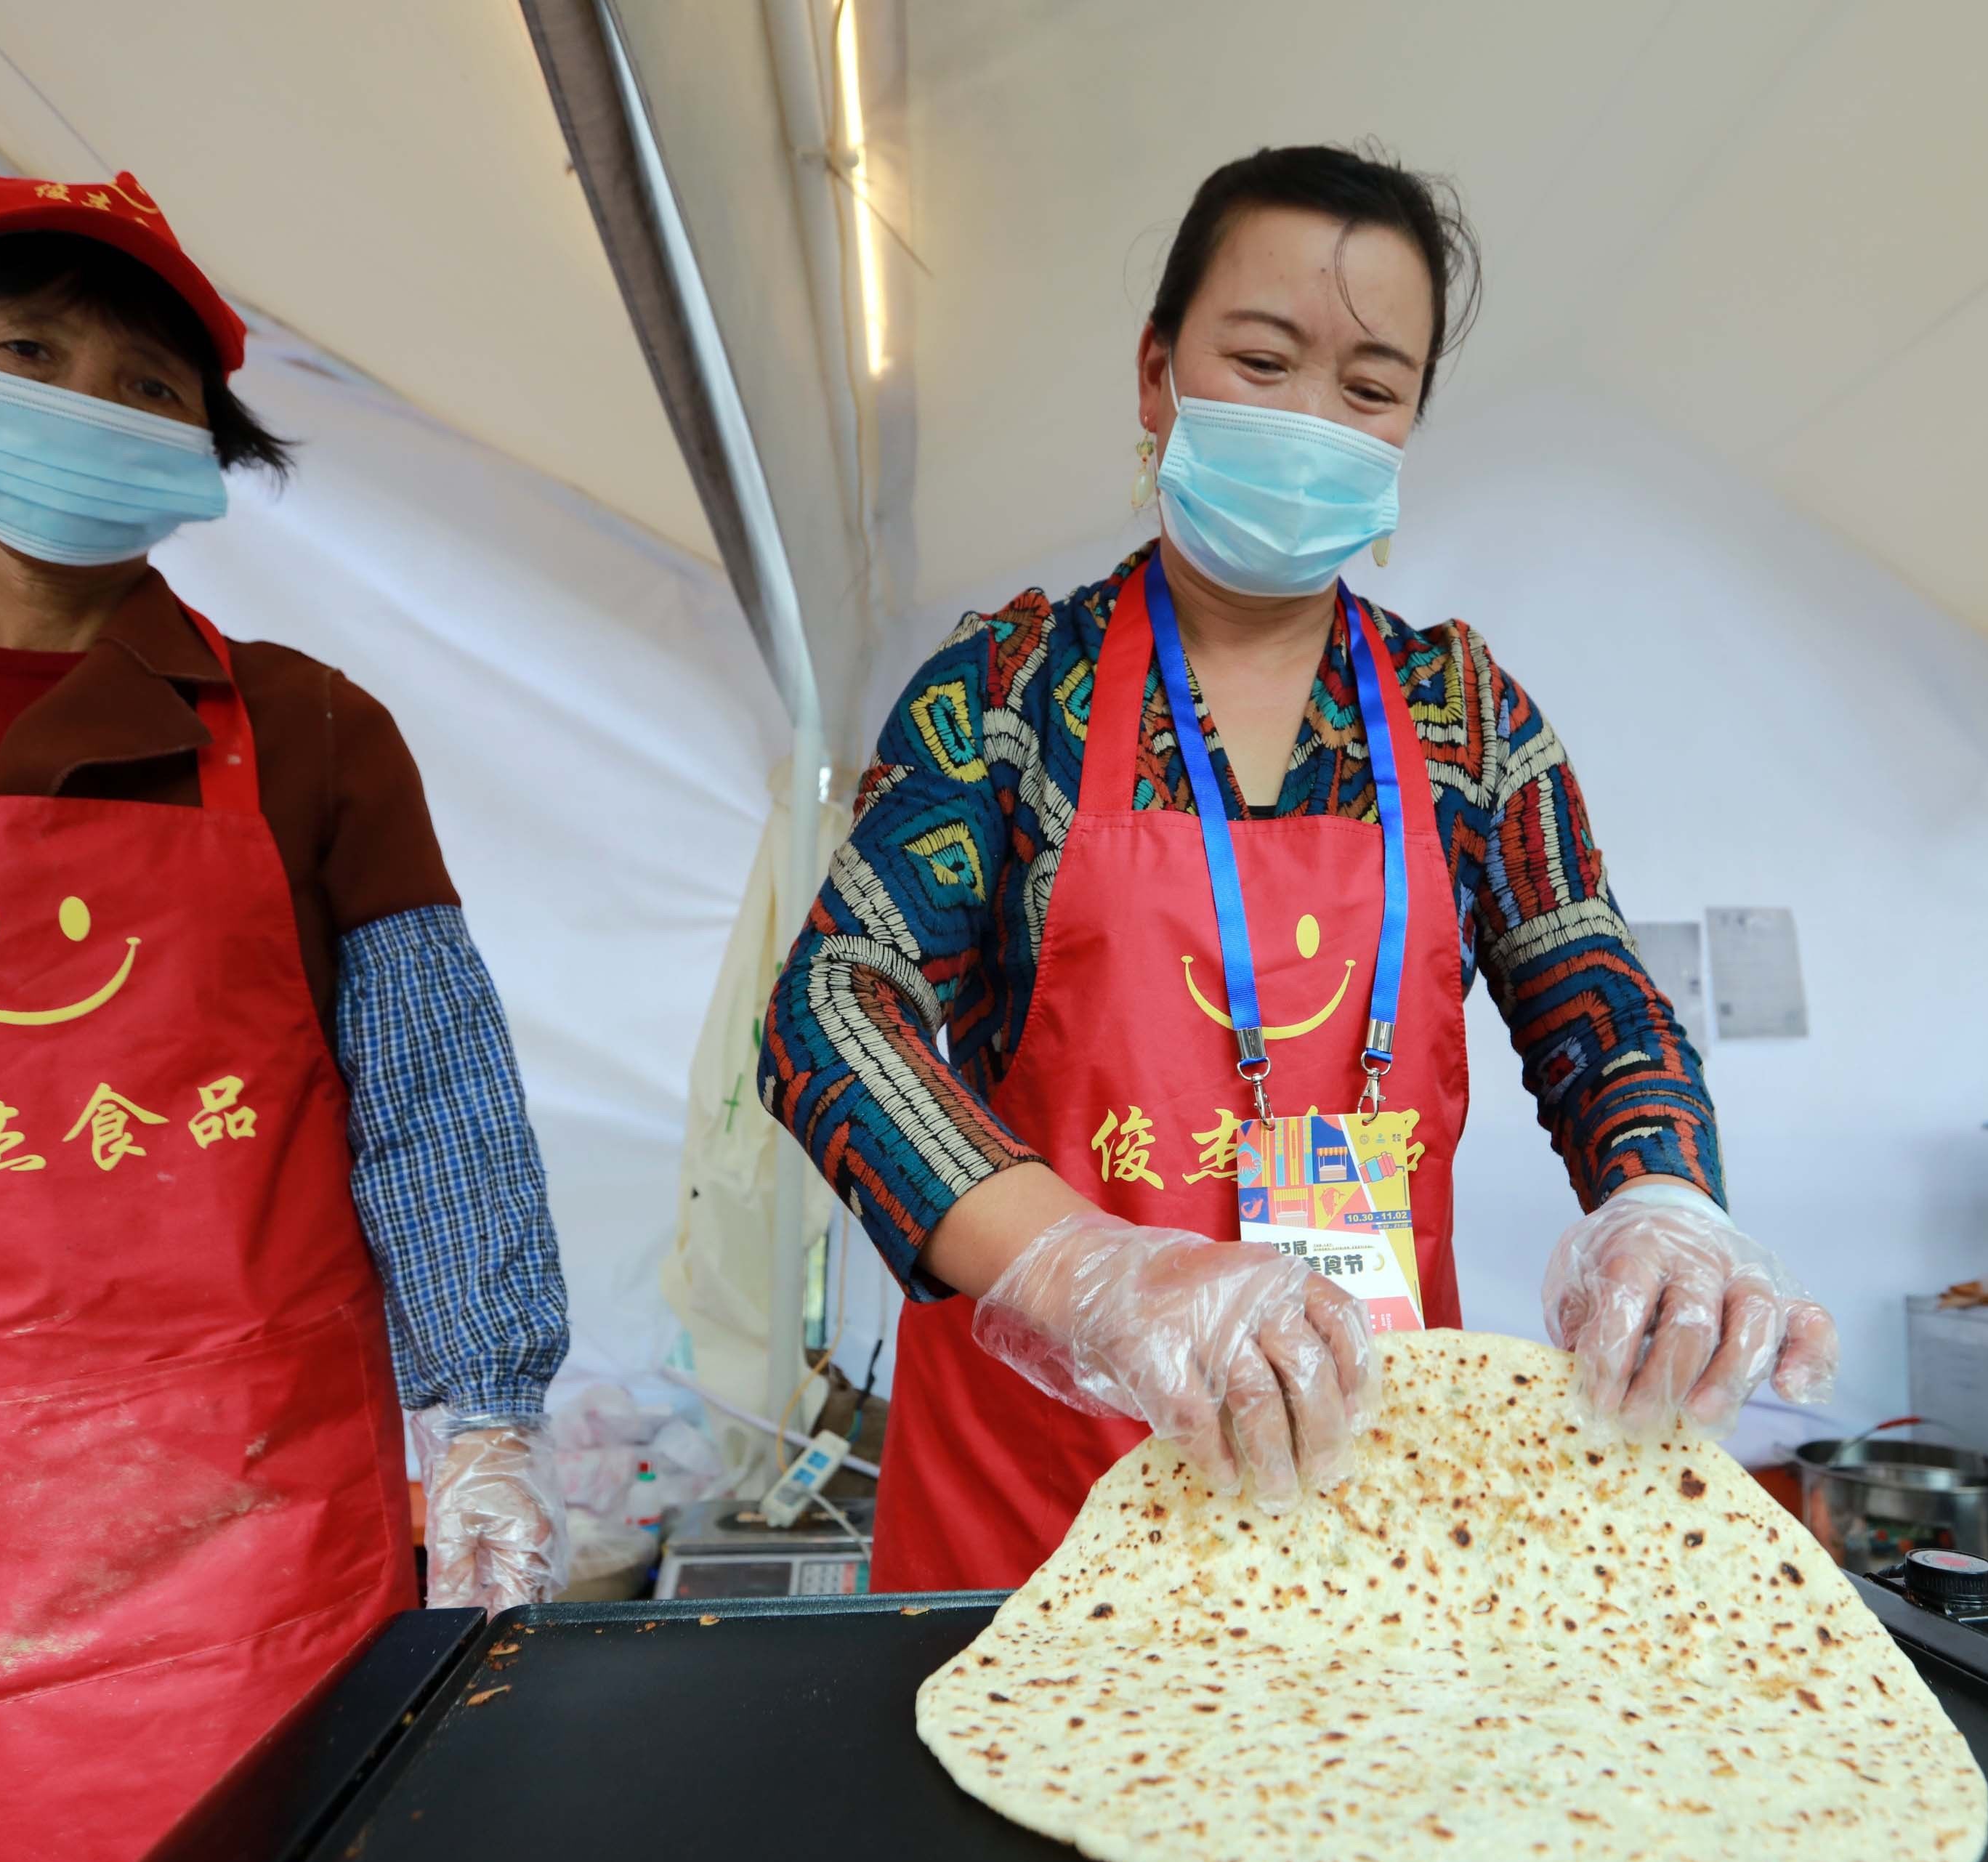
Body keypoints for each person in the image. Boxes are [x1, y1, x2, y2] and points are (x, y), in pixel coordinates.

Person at [0, 171, 573, 1862]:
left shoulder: (311, 732)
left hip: (235, 1580)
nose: (88, 404)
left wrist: (490, 1423)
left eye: (148, 385)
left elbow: (436, 1105)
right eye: (31, 353)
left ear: (205, 446)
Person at [762, 145, 1837, 1593]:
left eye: (1370, 388)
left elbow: (1603, 1008)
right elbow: (833, 1001)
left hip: (1364, 1489)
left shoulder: (1464, 717)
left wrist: (1666, 1207)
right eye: (1263, 361)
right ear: (1157, 377)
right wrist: (1092, 1277)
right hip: (1035, 1499)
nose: (1313, 419)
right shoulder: (1014, 691)